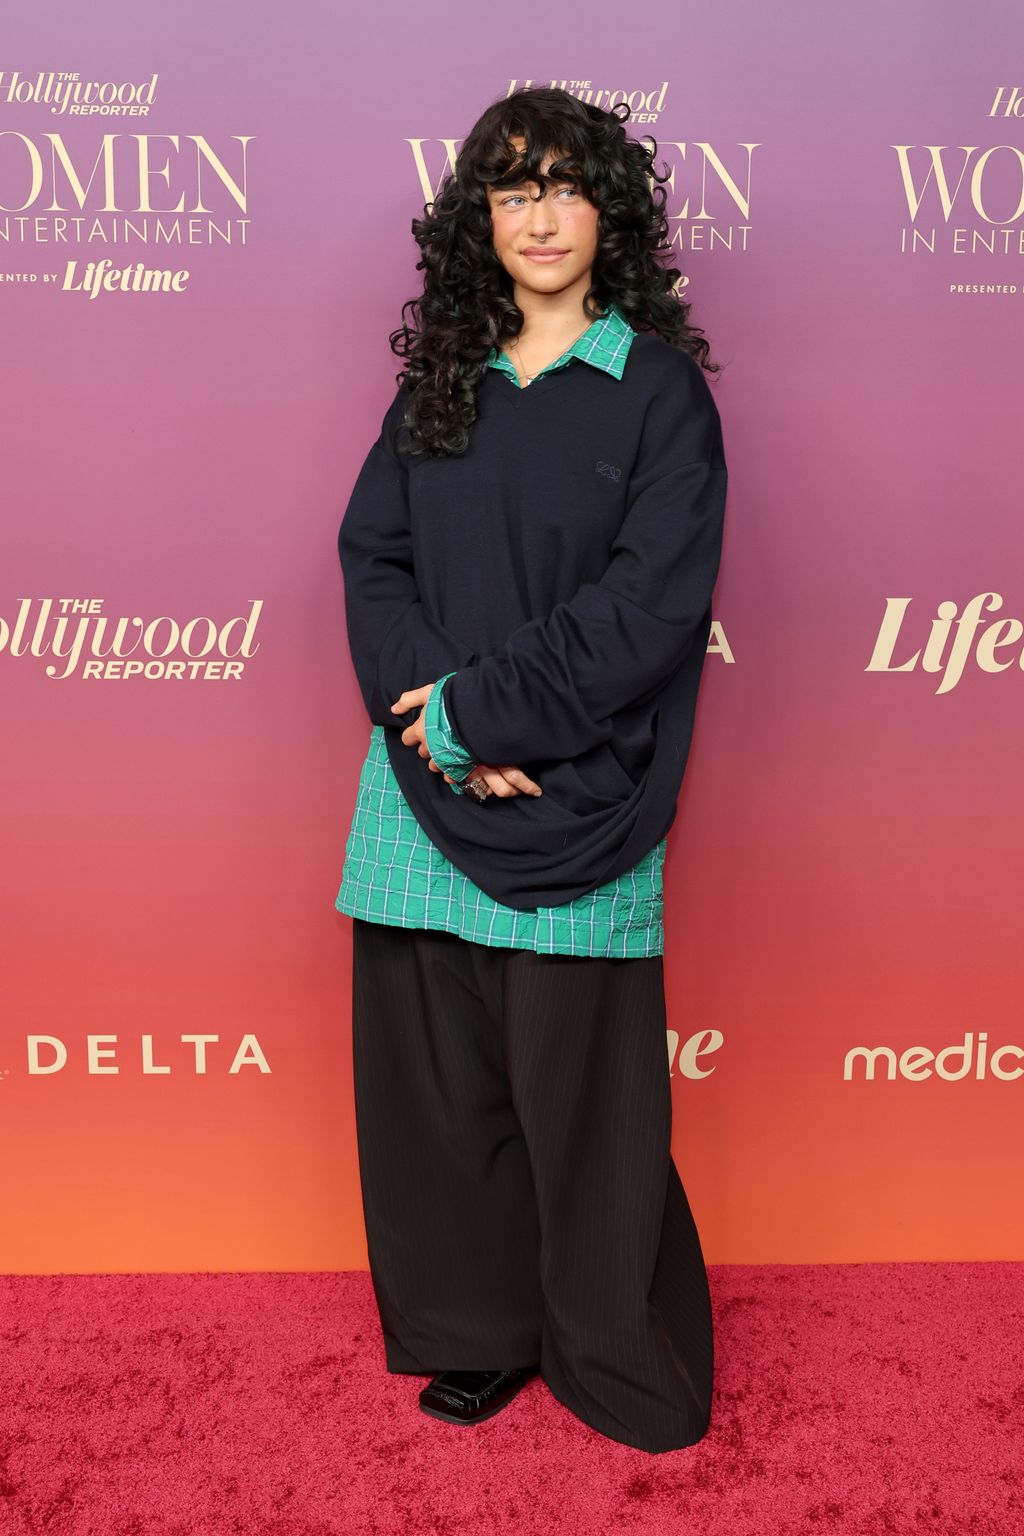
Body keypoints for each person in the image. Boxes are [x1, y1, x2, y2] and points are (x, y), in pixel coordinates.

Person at [334, 85, 728, 1455]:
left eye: (565, 186)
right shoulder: (440, 382)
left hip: (578, 789)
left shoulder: (658, 392)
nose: (541, 215)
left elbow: (648, 608)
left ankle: (610, 1347)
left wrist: (482, 719)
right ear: (480, 220)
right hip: (422, 782)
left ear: (607, 211)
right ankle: (475, 1331)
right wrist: (437, 726)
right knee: (439, 1092)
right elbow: (373, 561)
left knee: (585, 1104)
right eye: (513, 190)